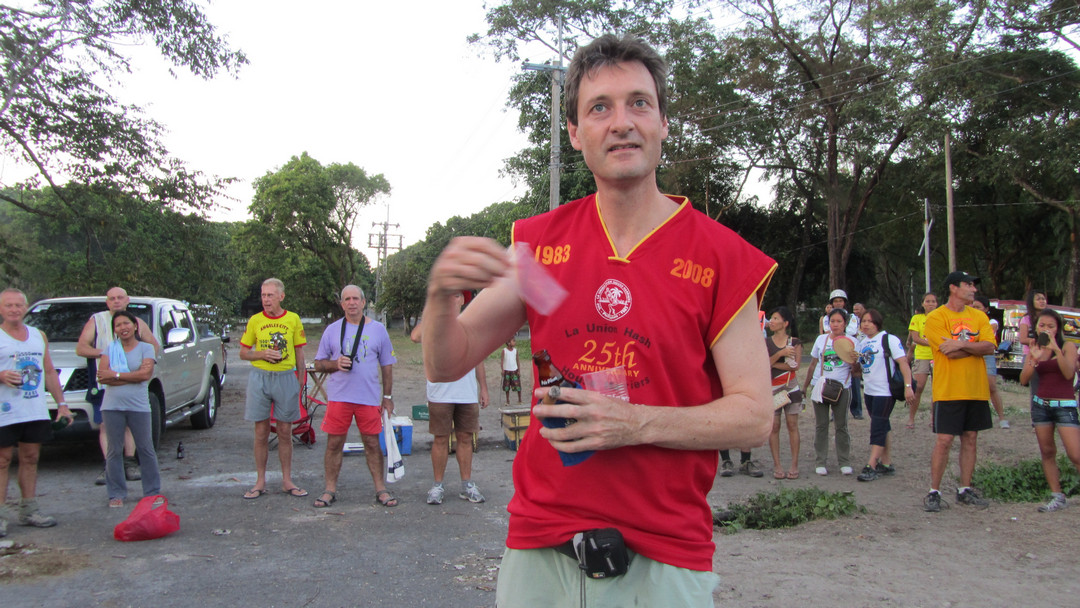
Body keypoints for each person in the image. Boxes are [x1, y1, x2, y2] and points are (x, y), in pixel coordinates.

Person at [419, 35, 776, 607]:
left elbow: (754, 416)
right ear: (574, 132)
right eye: (600, 108)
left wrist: (635, 423)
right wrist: (441, 298)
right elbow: (447, 361)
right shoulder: (543, 250)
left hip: (662, 558)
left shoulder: (720, 257)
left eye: (639, 103)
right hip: (541, 552)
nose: (621, 123)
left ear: (663, 122)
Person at [311, 285, 397, 508]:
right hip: (339, 397)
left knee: (372, 443)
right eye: (347, 299)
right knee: (334, 443)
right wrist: (335, 364)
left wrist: (387, 396)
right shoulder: (332, 330)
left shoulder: (378, 330)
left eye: (355, 299)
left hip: (368, 397)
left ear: (363, 302)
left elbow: (387, 365)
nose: (352, 303)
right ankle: (329, 490)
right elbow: (319, 364)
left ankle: (381, 489)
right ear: (342, 304)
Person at [0, 288, 73, 536]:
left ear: (26, 307)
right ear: (1, 309)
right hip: (5, 410)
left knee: (30, 458)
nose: (14, 310)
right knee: (2, 461)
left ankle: (29, 509)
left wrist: (62, 404)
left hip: (33, 408)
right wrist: (1, 375)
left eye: (18, 305)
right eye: (8, 305)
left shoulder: (37, 335)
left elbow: (49, 371)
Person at [923, 271, 997, 512]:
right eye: (968, 285)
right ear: (953, 288)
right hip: (949, 390)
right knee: (944, 440)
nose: (973, 289)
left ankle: (965, 489)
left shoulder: (979, 316)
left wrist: (961, 343)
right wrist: (974, 348)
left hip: (976, 389)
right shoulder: (936, 317)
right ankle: (934, 492)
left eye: (974, 285)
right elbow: (949, 352)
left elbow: (990, 347)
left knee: (971, 438)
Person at [410, 291, 489, 506]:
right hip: (440, 392)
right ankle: (437, 486)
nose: (452, 300)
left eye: (456, 296)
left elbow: (478, 358)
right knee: (440, 439)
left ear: (462, 300)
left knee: (465, 438)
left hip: (466, 392)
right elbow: (415, 336)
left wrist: (483, 388)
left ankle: (467, 485)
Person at [76, 286, 160, 485]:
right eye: (112, 298)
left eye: (120, 297)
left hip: (132, 380)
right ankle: (110, 466)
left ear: (127, 300)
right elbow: (81, 348)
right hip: (105, 381)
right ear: (107, 302)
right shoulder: (97, 321)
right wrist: (107, 353)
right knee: (105, 424)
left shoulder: (136, 322)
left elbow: (153, 345)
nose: (116, 301)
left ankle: (129, 463)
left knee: (129, 424)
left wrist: (146, 363)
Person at [239, 278, 308, 500]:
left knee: (285, 431)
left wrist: (300, 381)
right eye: (263, 295)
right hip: (260, 378)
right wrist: (261, 354)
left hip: (285, 377)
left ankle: (287, 480)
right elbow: (243, 352)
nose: (266, 300)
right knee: (260, 431)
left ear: (281, 296)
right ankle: (260, 481)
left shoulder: (293, 319)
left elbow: (299, 352)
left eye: (270, 295)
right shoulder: (255, 320)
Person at [97, 311, 160, 508]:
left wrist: (115, 375)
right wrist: (130, 376)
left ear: (135, 326)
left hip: (139, 406)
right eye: (118, 325)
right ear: (114, 330)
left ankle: (152, 492)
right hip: (112, 406)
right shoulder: (111, 348)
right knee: (114, 450)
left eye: (126, 323)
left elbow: (145, 375)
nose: (123, 328)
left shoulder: (146, 348)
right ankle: (116, 493)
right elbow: (102, 377)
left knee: (146, 448)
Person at [1018, 309, 1080, 512]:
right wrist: (1034, 359)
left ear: (1058, 328)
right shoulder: (1035, 347)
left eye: (1051, 326)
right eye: (1042, 325)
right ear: (1036, 328)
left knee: (1075, 454)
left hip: (1064, 405)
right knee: (1047, 451)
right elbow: (1023, 379)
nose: (1046, 329)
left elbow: (1069, 373)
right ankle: (1057, 495)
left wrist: (1056, 350)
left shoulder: (1067, 346)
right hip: (1041, 406)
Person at [853, 309, 914, 481]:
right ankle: (886, 463)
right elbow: (858, 370)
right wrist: (852, 360)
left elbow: (903, 363)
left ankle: (871, 465)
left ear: (877, 323)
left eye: (870, 321)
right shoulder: (862, 343)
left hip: (885, 391)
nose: (866, 324)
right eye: (863, 321)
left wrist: (908, 386)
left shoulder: (888, 339)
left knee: (877, 426)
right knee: (882, 424)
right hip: (869, 391)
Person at [802, 308, 855, 476]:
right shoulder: (821, 339)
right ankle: (820, 461)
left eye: (839, 321)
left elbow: (856, 371)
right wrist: (805, 386)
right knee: (821, 425)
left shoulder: (853, 341)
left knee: (841, 425)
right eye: (832, 321)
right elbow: (812, 364)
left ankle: (844, 461)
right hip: (820, 385)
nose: (835, 325)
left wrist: (855, 361)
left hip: (842, 387)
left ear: (845, 323)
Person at [766, 306, 803, 479]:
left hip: (791, 388)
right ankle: (777, 465)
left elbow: (794, 366)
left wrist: (772, 362)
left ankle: (794, 464)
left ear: (785, 323)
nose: (772, 322)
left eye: (775, 318)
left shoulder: (795, 342)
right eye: (772, 318)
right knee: (774, 426)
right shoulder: (766, 342)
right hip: (772, 388)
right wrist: (781, 354)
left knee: (792, 425)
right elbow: (763, 363)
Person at [971, 296, 1008, 428]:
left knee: (991, 386)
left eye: (978, 307)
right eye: (973, 307)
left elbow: (987, 334)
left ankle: (1002, 417)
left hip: (986, 355)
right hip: (971, 354)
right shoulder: (967, 321)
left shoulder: (991, 322)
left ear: (986, 309)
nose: (975, 309)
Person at [906, 292, 938, 429]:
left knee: (937, 390)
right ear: (923, 303)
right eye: (928, 301)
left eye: (933, 301)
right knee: (918, 387)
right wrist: (933, 343)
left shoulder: (941, 317)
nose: (930, 304)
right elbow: (916, 338)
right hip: (922, 356)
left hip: (938, 356)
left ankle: (934, 419)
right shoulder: (917, 318)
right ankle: (911, 418)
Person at [1018, 289, 1049, 397]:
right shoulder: (1026, 319)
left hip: (1047, 355)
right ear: (1031, 302)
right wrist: (1038, 341)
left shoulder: (1049, 318)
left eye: (1043, 299)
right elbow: (1023, 339)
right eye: (1038, 299)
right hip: (1031, 355)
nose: (1042, 301)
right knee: (1036, 388)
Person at [849, 302, 867, 420]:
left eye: (858, 309)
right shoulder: (851, 321)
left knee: (856, 384)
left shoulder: (868, 321)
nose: (856, 312)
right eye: (854, 309)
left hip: (864, 354)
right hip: (852, 353)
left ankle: (857, 410)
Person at [502, 337, 522, 405]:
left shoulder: (515, 350)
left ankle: (520, 400)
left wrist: (519, 370)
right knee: (507, 386)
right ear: (508, 343)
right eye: (513, 341)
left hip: (514, 370)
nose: (515, 342)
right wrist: (502, 370)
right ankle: (507, 400)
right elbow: (502, 361)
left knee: (518, 385)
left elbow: (517, 361)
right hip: (507, 371)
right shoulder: (504, 351)